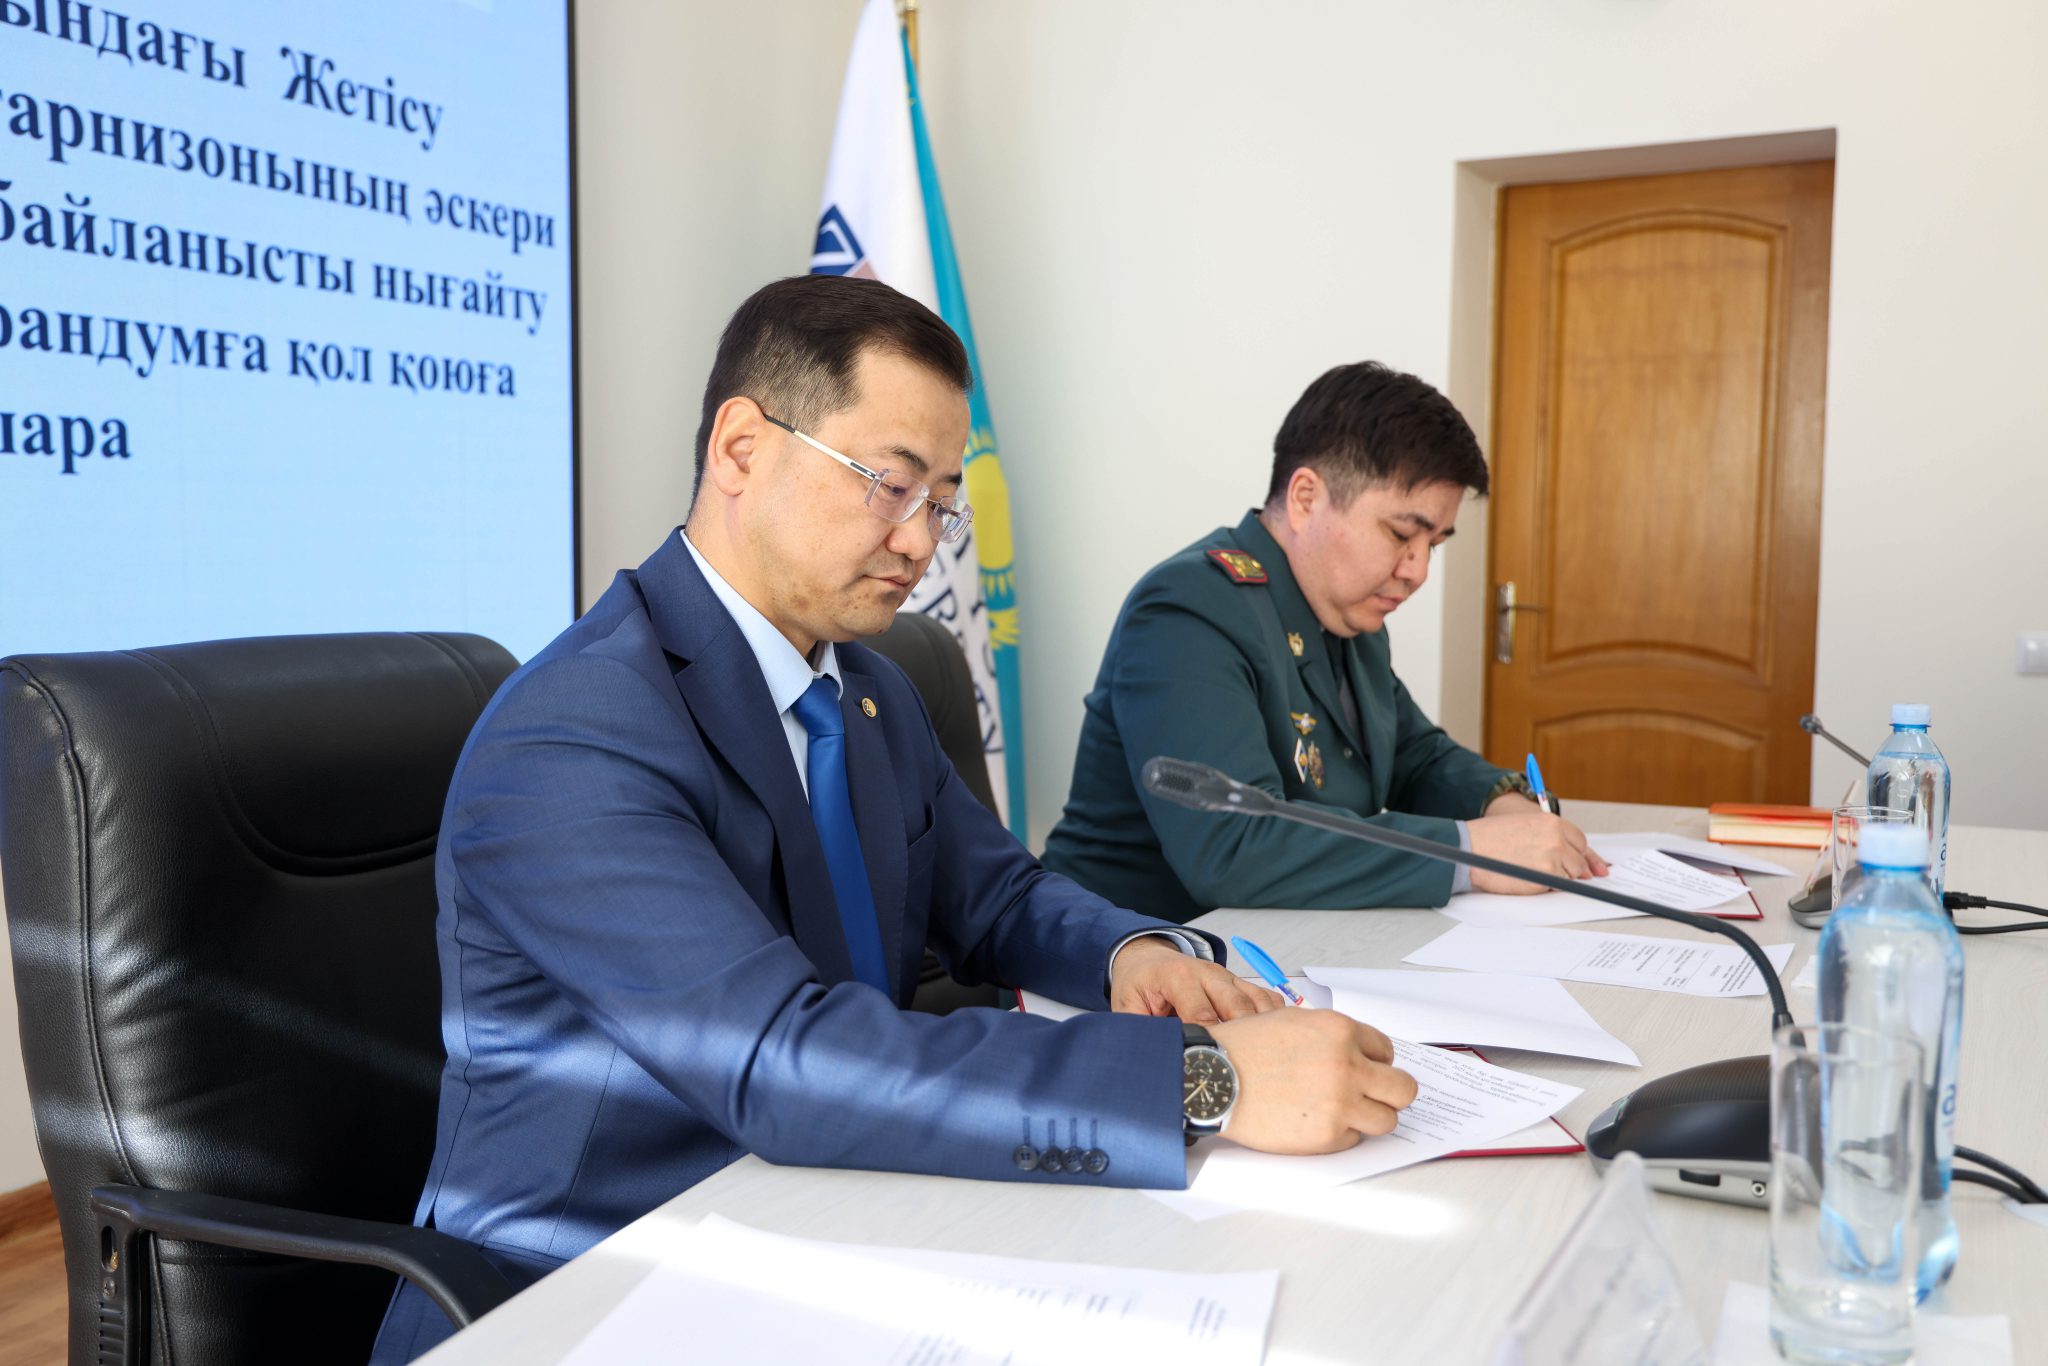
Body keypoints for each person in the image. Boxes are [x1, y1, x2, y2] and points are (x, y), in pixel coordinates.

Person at [370, 278, 1417, 1363]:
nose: (921, 544)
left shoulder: (863, 689)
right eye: (889, 485)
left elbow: (997, 893)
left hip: (829, 1218)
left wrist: (1129, 952)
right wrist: (1202, 1082)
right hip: (588, 1289)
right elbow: (776, 1057)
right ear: (740, 449)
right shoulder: (577, 732)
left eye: (942, 502)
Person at [1041, 361, 1608, 924]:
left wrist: (1501, 802)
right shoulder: (1189, 609)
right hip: (1120, 954)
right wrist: (1469, 853)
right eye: (1401, 534)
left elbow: (1414, 757)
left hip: (1277, 943)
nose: (1416, 571)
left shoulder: (1347, 614)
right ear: (1306, 498)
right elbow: (1233, 847)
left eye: (1433, 544)